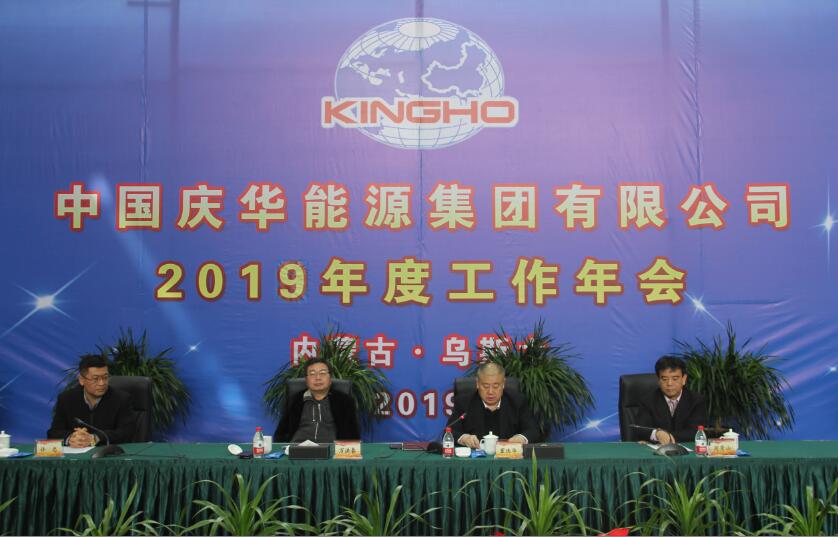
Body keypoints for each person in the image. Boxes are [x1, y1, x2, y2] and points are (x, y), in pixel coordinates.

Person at [47, 354, 137, 447]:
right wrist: (71, 438)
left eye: (105, 377)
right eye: (95, 379)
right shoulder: (67, 399)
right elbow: (54, 432)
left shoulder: (121, 399)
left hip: (108, 452)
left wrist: (95, 438)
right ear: (81, 380)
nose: (102, 383)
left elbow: (127, 432)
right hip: (77, 453)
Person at [451, 362, 541, 449]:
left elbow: (533, 430)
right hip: (475, 456)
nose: (490, 392)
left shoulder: (517, 402)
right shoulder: (464, 403)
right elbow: (450, 431)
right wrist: (464, 438)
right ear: (477, 384)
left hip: (508, 456)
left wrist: (521, 438)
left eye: (496, 386)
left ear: (503, 384)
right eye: (486, 386)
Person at [274, 358, 360, 443]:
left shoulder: (344, 401)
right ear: (306, 380)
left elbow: (352, 435)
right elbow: (281, 434)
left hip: (331, 448)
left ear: (330, 379)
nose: (318, 378)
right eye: (312, 374)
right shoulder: (295, 400)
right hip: (298, 448)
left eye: (322, 373)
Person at [634, 355, 708, 444]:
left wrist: (667, 436)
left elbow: (696, 431)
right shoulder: (648, 401)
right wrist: (656, 434)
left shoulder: (696, 400)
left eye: (675, 379)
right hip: (656, 450)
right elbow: (641, 429)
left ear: (684, 379)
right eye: (664, 379)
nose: (669, 383)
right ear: (658, 380)